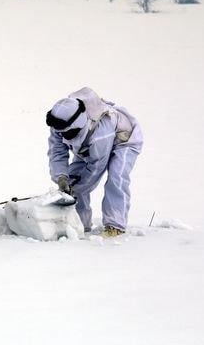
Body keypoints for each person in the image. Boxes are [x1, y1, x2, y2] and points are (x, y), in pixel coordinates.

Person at [45, 87, 143, 237]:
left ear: (76, 125)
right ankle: (80, 224)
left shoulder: (100, 136)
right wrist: (62, 177)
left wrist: (74, 188)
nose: (62, 135)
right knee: (73, 179)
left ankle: (115, 225)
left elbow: (96, 169)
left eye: (66, 132)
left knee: (116, 177)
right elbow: (57, 152)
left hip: (124, 141)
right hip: (86, 146)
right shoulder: (59, 124)